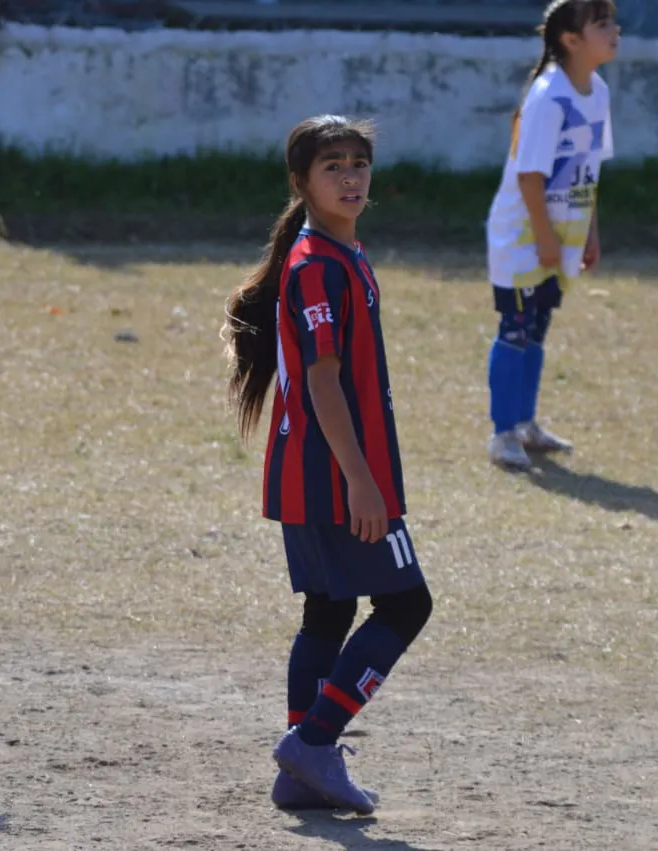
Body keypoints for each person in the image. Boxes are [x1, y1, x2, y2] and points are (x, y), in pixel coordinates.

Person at [222, 115, 433, 814]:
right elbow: (322, 382)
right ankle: (315, 741)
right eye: (332, 166)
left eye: (358, 164)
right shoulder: (317, 265)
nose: (350, 177)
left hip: (311, 472)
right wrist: (363, 481)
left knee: (329, 610)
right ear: (301, 183)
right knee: (407, 602)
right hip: (335, 473)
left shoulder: (339, 254)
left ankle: (299, 771)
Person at [484, 0, 621, 470]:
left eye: (612, 21)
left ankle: (526, 424)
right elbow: (529, 176)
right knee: (516, 328)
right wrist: (543, 238)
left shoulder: (597, 91)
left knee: (538, 326)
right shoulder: (547, 96)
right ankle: (503, 435)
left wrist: (589, 232)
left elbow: (589, 169)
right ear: (571, 39)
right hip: (524, 232)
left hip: (561, 230)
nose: (614, 31)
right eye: (601, 23)